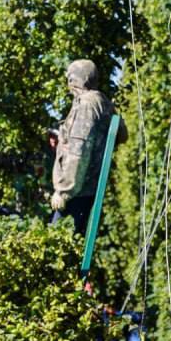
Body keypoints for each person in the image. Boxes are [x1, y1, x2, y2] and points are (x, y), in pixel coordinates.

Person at [50, 59, 125, 234]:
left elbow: (79, 150)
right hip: (88, 187)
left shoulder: (85, 105)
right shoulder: (102, 102)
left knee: (58, 241)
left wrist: (63, 191)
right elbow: (122, 134)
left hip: (77, 191)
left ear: (74, 80)